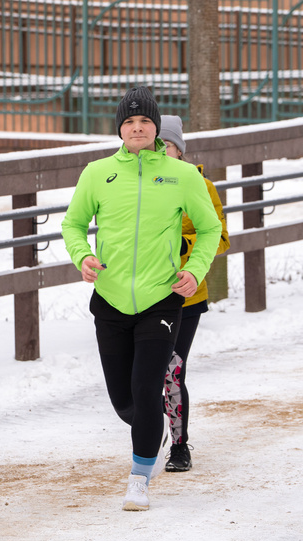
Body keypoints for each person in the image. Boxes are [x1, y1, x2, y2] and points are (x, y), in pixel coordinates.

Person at [61, 87, 222, 510]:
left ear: (155, 129)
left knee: (147, 387)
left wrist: (194, 269)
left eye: (145, 123)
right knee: (124, 399)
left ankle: (139, 479)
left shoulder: (183, 176)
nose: (138, 128)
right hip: (111, 300)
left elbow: (209, 230)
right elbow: (73, 224)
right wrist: (83, 255)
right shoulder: (97, 173)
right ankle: (150, 429)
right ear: (120, 129)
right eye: (130, 123)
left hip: (161, 299)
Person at [158, 115, 230, 472]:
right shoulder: (137, 185)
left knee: (172, 369)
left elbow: (219, 237)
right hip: (142, 296)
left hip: (187, 296)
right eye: (156, 144)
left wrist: (177, 248)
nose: (161, 150)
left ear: (180, 149)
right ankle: (148, 432)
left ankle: (179, 445)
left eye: (167, 144)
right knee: (142, 371)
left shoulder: (201, 185)